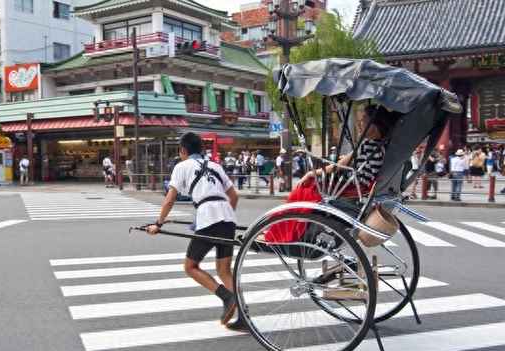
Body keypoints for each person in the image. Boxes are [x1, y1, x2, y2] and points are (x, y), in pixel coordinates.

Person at [146, 133, 245, 331]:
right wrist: (224, 215)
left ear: (183, 150)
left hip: (209, 218)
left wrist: (158, 223)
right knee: (225, 271)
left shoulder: (181, 166)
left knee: (190, 267)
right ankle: (243, 316)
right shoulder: (215, 165)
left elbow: (170, 199)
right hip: (227, 219)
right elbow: (234, 196)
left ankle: (227, 297)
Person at [261, 105, 399, 243]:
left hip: (352, 186)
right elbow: (349, 161)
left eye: (363, 120)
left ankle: (279, 232)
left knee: (304, 188)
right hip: (361, 187)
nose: (359, 124)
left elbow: (338, 167)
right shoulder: (381, 146)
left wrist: (312, 173)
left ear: (373, 126)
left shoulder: (368, 144)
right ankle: (284, 229)